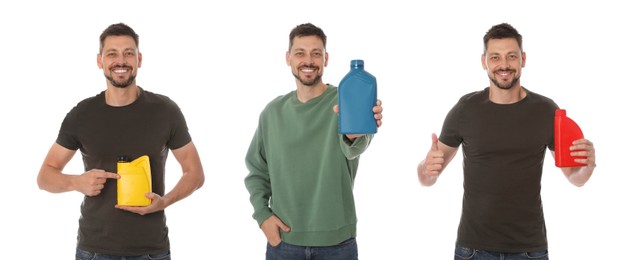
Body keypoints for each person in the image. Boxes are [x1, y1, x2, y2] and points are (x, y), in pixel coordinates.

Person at [417, 23, 596, 260]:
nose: (504, 65)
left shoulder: (546, 110)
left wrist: (587, 165)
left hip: (530, 249)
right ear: (484, 62)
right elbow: (427, 179)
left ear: (523, 59)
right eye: (495, 57)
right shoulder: (465, 109)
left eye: (511, 56)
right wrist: (425, 168)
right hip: (473, 250)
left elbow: (575, 178)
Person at [37, 23, 205, 260]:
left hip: (151, 250)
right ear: (100, 61)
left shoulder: (166, 111)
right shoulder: (81, 114)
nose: (121, 61)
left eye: (129, 53)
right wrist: (76, 182)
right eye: (112, 54)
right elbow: (44, 177)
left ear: (140, 59)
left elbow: (195, 173)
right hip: (95, 250)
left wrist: (164, 202)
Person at [244, 23, 383, 260]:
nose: (308, 61)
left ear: (326, 59)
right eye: (300, 53)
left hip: (338, 244)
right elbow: (257, 171)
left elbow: (355, 148)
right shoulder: (272, 112)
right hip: (284, 242)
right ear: (288, 58)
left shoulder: (346, 100)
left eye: (316, 53)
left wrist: (356, 131)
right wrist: (262, 216)